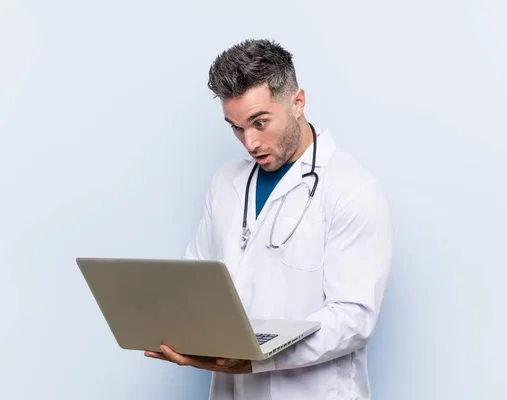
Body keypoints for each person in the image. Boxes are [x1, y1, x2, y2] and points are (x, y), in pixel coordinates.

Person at [144, 39, 394, 399]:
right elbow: (197, 277)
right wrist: (180, 330)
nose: (250, 142)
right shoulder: (226, 182)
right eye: (236, 127)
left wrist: (254, 356)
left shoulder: (351, 189)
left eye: (260, 123)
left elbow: (353, 318)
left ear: (297, 102)